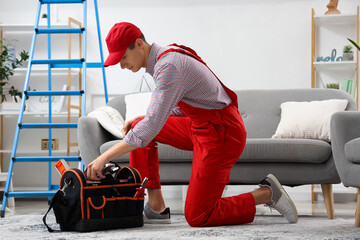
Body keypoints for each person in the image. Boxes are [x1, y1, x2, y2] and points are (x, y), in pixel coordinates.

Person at [86, 22, 298, 227]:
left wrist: (103, 158)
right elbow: (181, 108)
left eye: (123, 57)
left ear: (139, 44)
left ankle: (266, 193)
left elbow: (151, 127)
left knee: (198, 215)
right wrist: (144, 118)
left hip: (222, 133)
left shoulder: (168, 65)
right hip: (201, 126)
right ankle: (156, 206)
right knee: (139, 125)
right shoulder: (165, 57)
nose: (122, 66)